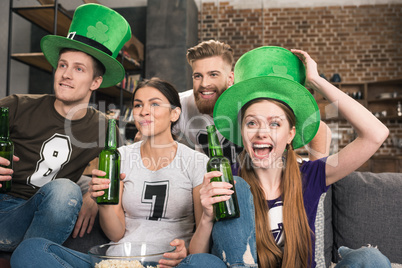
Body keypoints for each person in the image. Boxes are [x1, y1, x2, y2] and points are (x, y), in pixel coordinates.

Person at [178, 47, 390, 267]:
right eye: (252, 123)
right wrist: (206, 217)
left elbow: (376, 134)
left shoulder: (311, 175)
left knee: (369, 258)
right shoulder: (227, 178)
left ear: (291, 134)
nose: (262, 132)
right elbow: (197, 255)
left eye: (274, 123)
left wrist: (316, 81)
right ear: (241, 131)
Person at [10, 77, 210, 268]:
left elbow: (201, 247)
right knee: (30, 250)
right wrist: (102, 200)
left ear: (174, 114)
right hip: (116, 261)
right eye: (138, 105)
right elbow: (116, 233)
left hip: (164, 262)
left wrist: (187, 255)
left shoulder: (196, 162)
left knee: (206, 264)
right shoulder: (119, 157)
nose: (144, 111)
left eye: (155, 104)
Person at [0, 3, 132, 253]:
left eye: (78, 69)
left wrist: (94, 197)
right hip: (5, 210)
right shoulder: (17, 105)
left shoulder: (104, 127)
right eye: (62, 65)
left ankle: (31, 256)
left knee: (65, 192)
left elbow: (121, 173)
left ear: (96, 81)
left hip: (53, 213)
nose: (66, 74)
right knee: (65, 190)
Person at [144, 40, 331, 172]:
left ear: (230, 78)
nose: (204, 84)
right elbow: (147, 132)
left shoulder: (249, 101)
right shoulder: (180, 105)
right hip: (211, 183)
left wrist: (314, 180)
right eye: (197, 76)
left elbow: (319, 129)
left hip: (255, 181)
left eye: (214, 75)